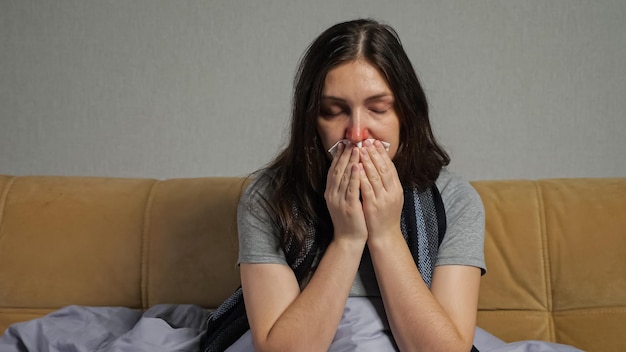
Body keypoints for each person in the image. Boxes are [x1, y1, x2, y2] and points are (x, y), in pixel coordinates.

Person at [202, 18, 486, 352]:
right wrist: (348, 239)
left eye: (378, 109)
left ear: (406, 115)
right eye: (334, 111)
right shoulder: (267, 198)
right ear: (311, 121)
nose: (356, 133)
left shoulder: (456, 201)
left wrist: (385, 235)